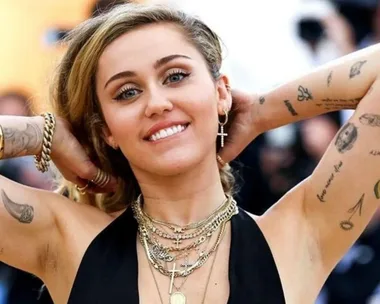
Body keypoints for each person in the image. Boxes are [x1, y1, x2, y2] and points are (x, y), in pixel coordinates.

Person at [1, 3, 380, 303]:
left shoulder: (300, 233)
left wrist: (264, 110)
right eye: (127, 92)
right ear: (107, 131)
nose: (157, 103)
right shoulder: (61, 237)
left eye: (176, 76)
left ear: (220, 93)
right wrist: (44, 133)